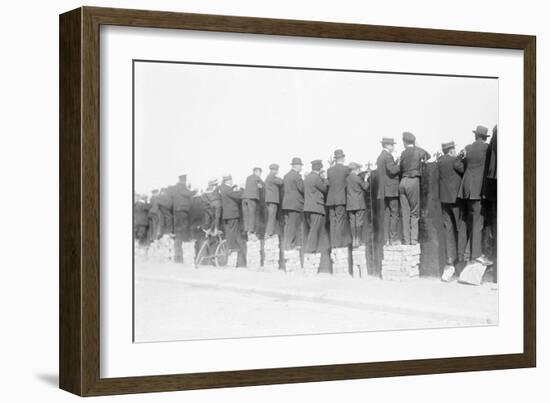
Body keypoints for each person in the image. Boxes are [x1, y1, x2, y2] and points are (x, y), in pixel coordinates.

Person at [458, 125, 493, 266]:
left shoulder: (468, 147)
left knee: (466, 222)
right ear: (484, 137)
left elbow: (459, 164)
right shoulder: (486, 148)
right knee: (478, 223)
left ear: (475, 136)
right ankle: (476, 255)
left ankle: (464, 255)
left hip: (465, 189)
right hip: (477, 190)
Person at [437, 141, 467, 268]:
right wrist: (461, 157)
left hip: (444, 199)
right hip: (455, 199)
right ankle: (461, 257)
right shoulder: (454, 161)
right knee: (460, 227)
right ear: (451, 151)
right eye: (454, 150)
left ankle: (450, 258)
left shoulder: (440, 161)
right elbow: (463, 169)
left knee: (448, 228)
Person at [398, 131, 431, 245]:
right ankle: (413, 240)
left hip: (402, 181)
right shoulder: (418, 151)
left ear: (405, 142)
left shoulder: (403, 153)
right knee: (414, 212)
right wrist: (418, 145)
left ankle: (406, 240)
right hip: (413, 181)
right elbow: (428, 155)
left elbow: (400, 167)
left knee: (405, 213)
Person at [376, 137, 401, 245]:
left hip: (383, 190)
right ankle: (393, 239)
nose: (393, 147)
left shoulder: (380, 157)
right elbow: (392, 170)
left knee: (386, 214)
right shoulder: (388, 156)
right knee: (394, 213)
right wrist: (399, 164)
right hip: (391, 189)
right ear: (386, 145)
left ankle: (386, 239)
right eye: (392, 145)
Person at [326, 149, 352, 248]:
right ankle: (338, 243)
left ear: (335, 159)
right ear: (343, 158)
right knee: (340, 221)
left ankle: (333, 243)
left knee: (333, 221)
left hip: (330, 200)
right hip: (340, 199)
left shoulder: (329, 170)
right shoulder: (346, 169)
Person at [303, 160, 329, 254]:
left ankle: (314, 248)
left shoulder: (308, 178)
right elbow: (324, 189)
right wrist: (325, 179)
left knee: (312, 228)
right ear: (319, 168)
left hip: (307, 207)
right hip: (316, 207)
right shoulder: (316, 178)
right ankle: (310, 249)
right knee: (314, 229)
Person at [172, 174, 197, 263]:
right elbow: (187, 193)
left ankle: (178, 258)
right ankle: (178, 258)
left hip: (178, 211)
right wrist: (194, 191)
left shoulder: (177, 187)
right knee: (180, 233)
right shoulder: (181, 187)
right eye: (185, 181)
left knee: (179, 233)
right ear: (183, 180)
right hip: (182, 212)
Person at [282, 157, 305, 250]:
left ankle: (288, 244)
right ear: (297, 166)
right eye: (300, 165)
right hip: (295, 204)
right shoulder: (297, 176)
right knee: (294, 225)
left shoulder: (286, 175)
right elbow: (302, 188)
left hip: (287, 204)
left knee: (288, 225)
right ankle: (292, 245)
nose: (301, 167)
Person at [219, 175, 245, 254]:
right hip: (232, 214)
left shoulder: (223, 187)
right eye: (231, 180)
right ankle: (232, 247)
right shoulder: (227, 189)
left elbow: (230, 192)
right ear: (227, 181)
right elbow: (237, 195)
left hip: (227, 214)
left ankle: (230, 246)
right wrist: (242, 188)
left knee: (229, 230)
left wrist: (233, 186)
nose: (232, 181)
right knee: (233, 230)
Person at [346, 162, 369, 248]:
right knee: (359, 222)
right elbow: (365, 187)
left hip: (350, 204)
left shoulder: (347, 178)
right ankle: (358, 240)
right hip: (359, 203)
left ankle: (353, 240)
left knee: (352, 222)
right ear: (355, 169)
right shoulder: (358, 178)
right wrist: (366, 179)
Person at [242, 167, 264, 236]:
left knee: (246, 215)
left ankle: (246, 228)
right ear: (256, 172)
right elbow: (263, 185)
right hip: (251, 198)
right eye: (260, 172)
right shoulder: (257, 177)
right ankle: (251, 230)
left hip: (244, 198)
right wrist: (260, 186)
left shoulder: (248, 177)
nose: (260, 174)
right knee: (252, 214)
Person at [264, 163, 284, 237]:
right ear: (274, 170)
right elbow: (281, 182)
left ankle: (271, 231)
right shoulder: (272, 176)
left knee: (271, 215)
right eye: (276, 170)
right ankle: (269, 232)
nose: (277, 171)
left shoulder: (268, 177)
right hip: (273, 200)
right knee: (272, 216)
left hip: (270, 199)